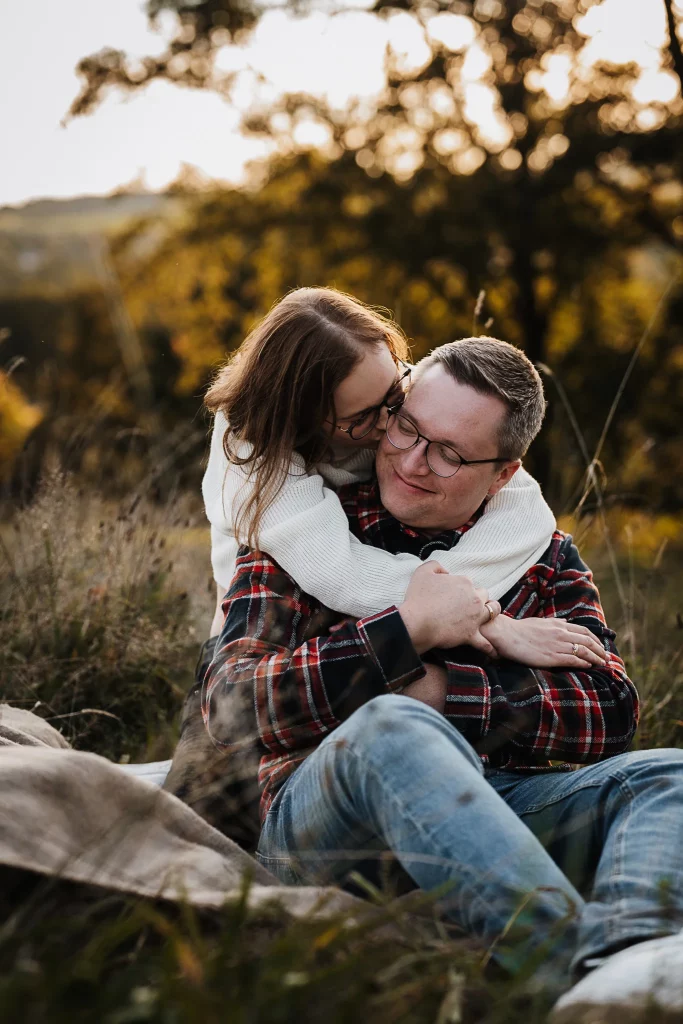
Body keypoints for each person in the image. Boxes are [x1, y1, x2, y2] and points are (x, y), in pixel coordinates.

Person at [202, 335, 683, 1017]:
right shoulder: (305, 528)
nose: (410, 461)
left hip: (491, 801)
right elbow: (231, 708)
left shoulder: (540, 554)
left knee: (668, 775)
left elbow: (608, 708)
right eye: (405, 427)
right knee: (392, 729)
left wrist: (441, 693)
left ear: (503, 473)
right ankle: (562, 974)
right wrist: (400, 640)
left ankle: (628, 973)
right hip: (321, 823)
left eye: (450, 453)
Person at [201, 286, 557, 641]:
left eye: (396, 394)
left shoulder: (373, 381)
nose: (393, 424)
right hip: (255, 605)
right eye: (365, 417)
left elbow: (518, 497)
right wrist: (486, 620)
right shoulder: (254, 457)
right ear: (303, 421)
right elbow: (350, 579)